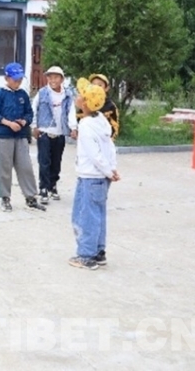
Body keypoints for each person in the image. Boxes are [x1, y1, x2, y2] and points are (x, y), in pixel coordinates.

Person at [69, 78, 120, 270]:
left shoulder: (86, 125)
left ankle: (86, 255)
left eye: (80, 95)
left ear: (85, 103)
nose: (77, 97)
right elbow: (110, 147)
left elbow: (95, 155)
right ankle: (99, 251)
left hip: (90, 176)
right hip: (101, 177)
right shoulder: (101, 121)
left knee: (86, 216)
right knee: (98, 214)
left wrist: (108, 170)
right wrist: (111, 169)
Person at [0, 62, 47, 212]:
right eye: (15, 79)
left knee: (25, 166)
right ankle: (5, 197)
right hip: (5, 135)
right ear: (6, 78)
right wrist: (9, 123)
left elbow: (29, 113)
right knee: (4, 167)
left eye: (20, 79)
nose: (18, 82)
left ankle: (30, 197)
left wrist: (24, 122)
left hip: (21, 135)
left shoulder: (23, 94)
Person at [31, 65, 78, 204]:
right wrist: (34, 126)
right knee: (44, 162)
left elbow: (71, 111)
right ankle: (43, 188)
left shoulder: (67, 95)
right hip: (45, 132)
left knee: (56, 162)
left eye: (56, 77)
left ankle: (53, 185)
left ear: (62, 79)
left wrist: (73, 127)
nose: (53, 80)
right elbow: (34, 109)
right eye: (50, 77)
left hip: (59, 133)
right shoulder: (42, 93)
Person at [88, 73, 120, 140]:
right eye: (93, 85)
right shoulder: (86, 103)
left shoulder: (110, 106)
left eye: (100, 85)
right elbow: (79, 119)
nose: (96, 88)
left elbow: (115, 126)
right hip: (89, 140)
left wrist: (109, 140)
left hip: (104, 141)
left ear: (106, 88)